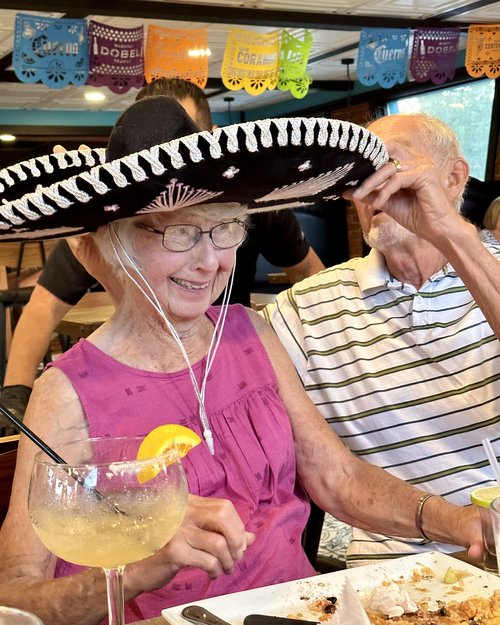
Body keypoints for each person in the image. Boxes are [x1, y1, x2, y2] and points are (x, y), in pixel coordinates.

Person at [0, 97, 482, 625]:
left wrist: (456, 521)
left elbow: (337, 477)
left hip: (301, 612)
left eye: (223, 228)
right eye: (179, 232)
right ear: (117, 242)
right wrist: (139, 566)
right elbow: (15, 594)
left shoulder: (249, 331)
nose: (209, 260)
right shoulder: (67, 392)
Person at [0, 78, 323, 431]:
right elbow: (44, 306)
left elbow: (311, 277)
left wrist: (317, 354)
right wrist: (15, 393)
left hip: (238, 365)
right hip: (144, 379)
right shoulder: (113, 218)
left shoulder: (255, 206)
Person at [263, 112, 500, 567]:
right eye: (361, 175)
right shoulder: (306, 309)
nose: (375, 190)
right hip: (396, 572)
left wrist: (449, 232)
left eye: (391, 169)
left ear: (453, 178)